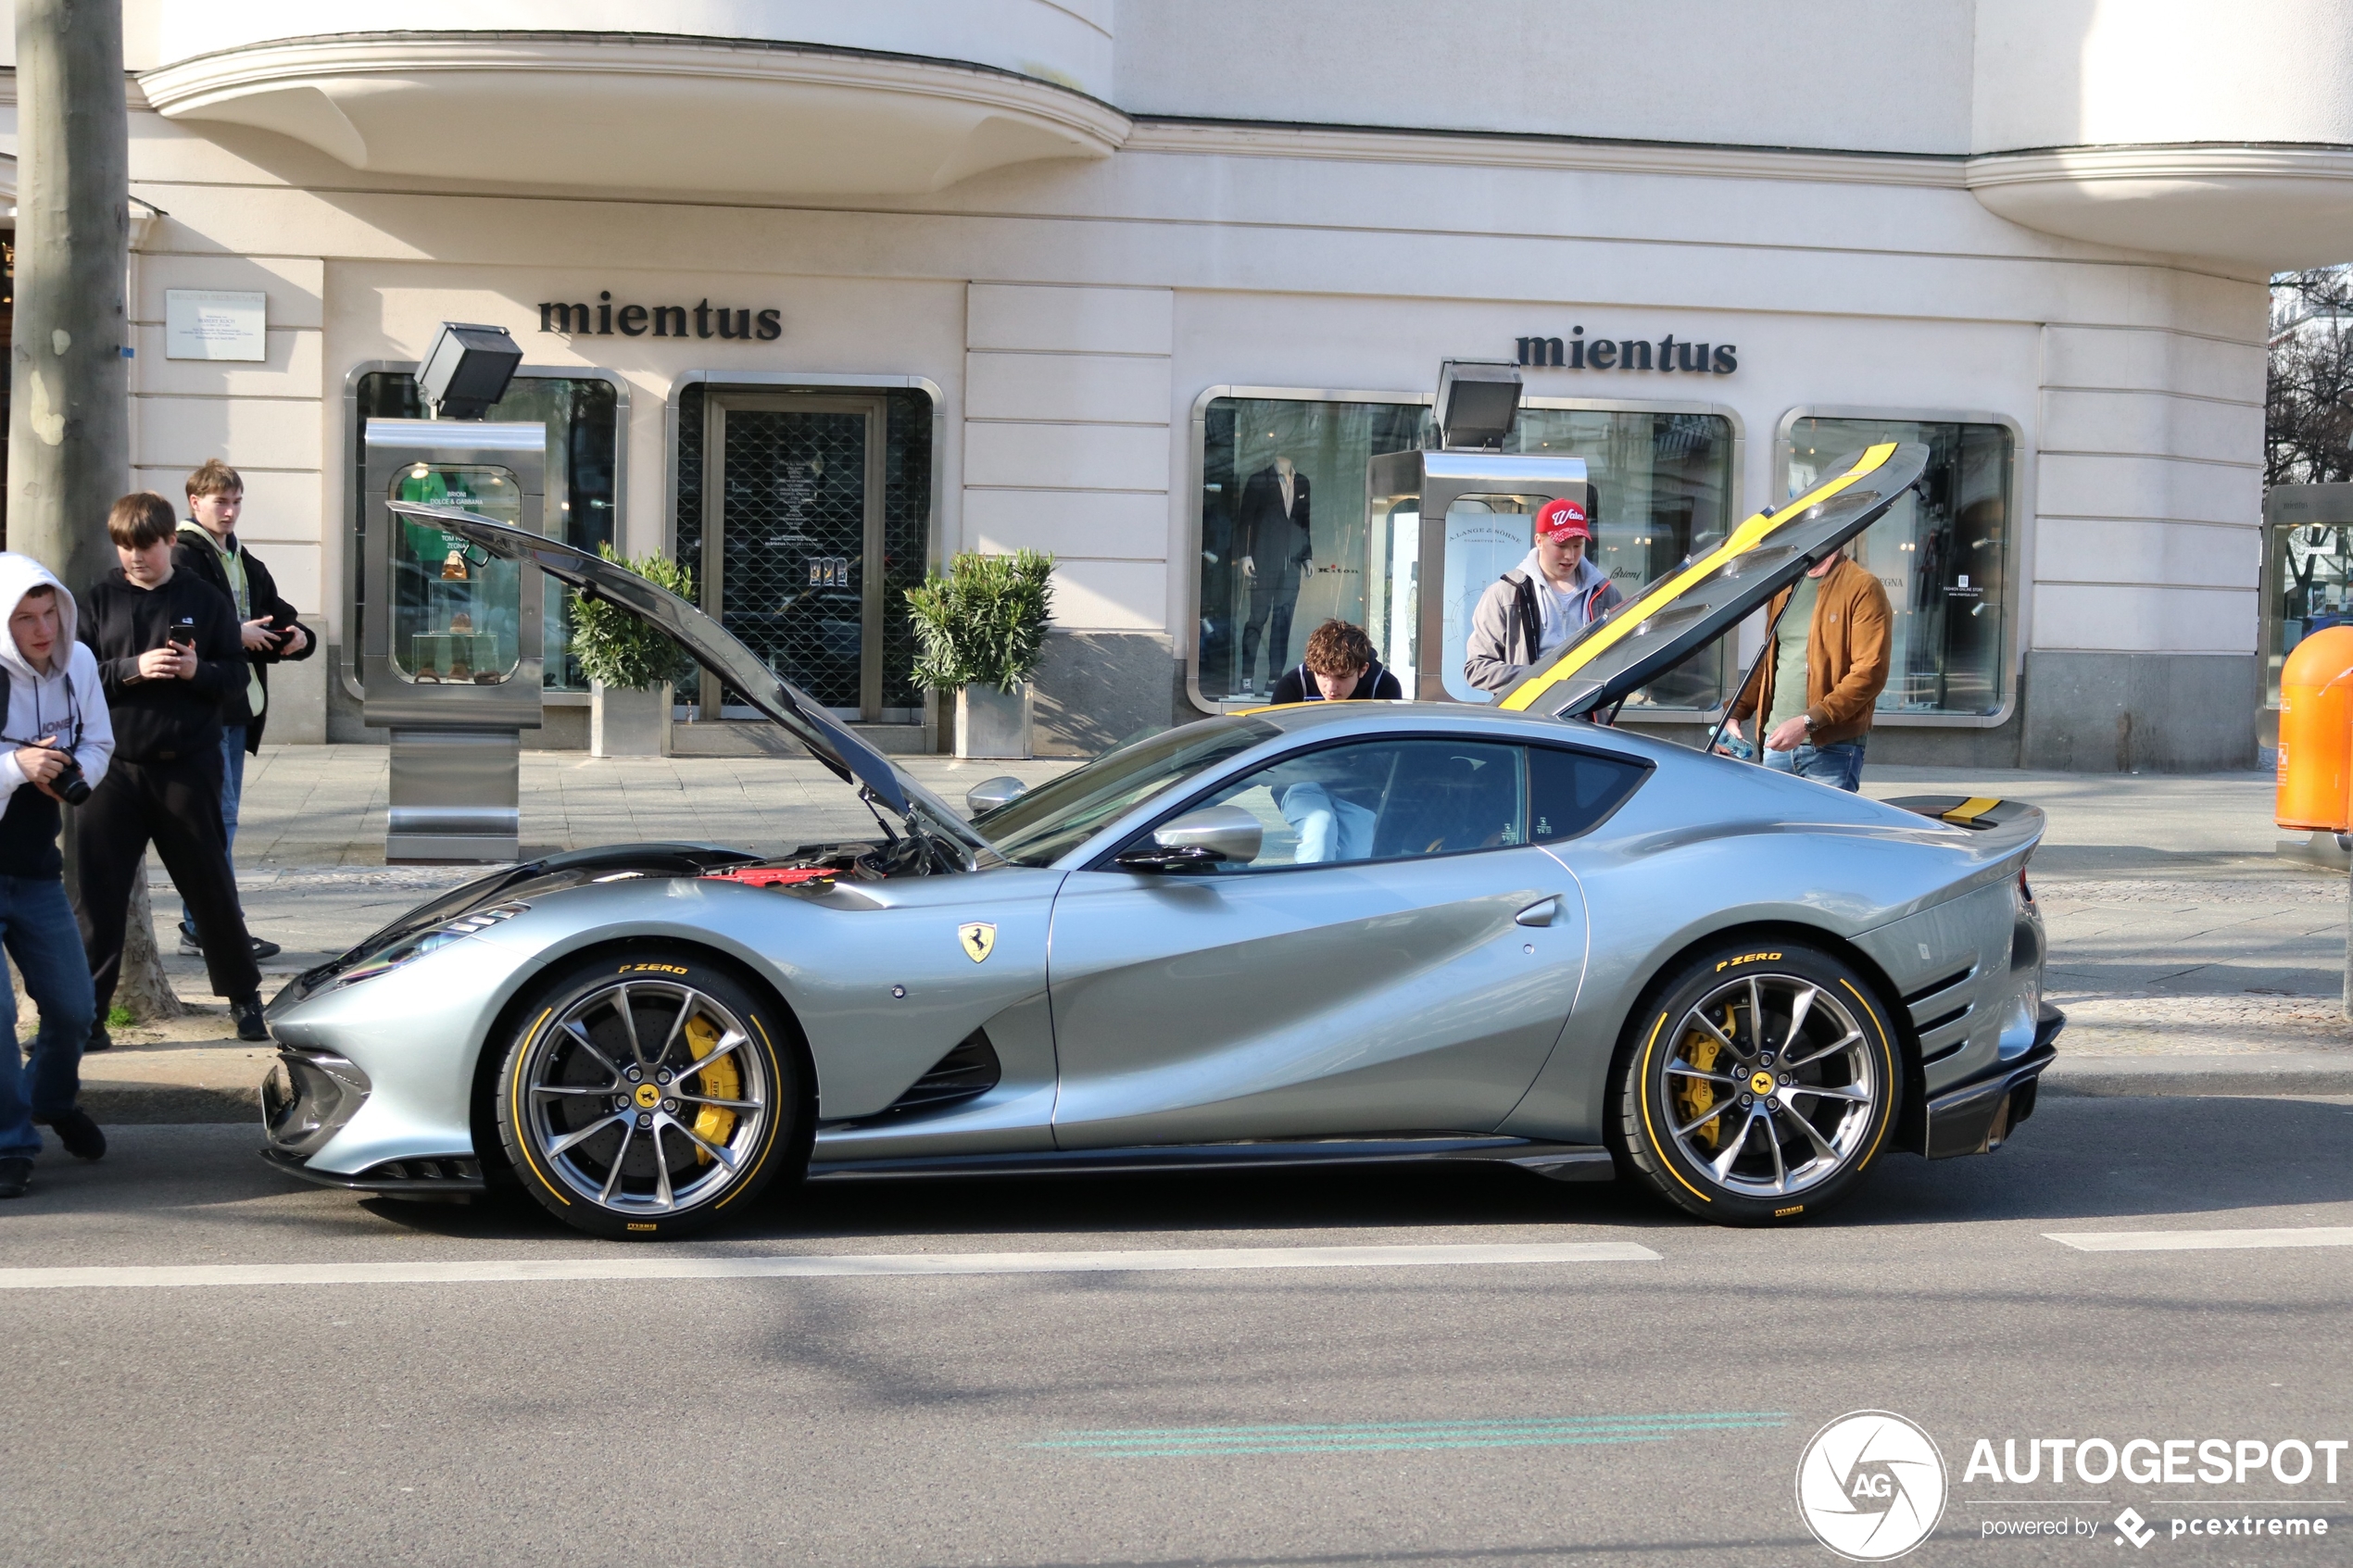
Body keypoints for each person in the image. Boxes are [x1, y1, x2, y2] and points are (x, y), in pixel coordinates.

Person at [77, 493, 269, 1045]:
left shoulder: (203, 599)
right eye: (126, 547)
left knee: (209, 886)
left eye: (147, 547)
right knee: (99, 896)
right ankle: (90, 1017)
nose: (136, 558)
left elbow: (236, 677)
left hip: (187, 766)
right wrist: (133, 669)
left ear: (168, 543)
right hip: (114, 768)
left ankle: (244, 1000)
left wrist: (195, 671)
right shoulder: (96, 600)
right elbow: (79, 678)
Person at [0, 557, 115, 1198]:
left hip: (37, 868)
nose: (42, 629)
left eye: (49, 613)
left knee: (75, 1009)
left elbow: (99, 742)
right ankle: (11, 1143)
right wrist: (18, 766)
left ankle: (51, 1098)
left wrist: (73, 779)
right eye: (24, 617)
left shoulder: (77, 663)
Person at [172, 459, 315, 960]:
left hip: (238, 704)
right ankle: (210, 927)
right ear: (195, 502)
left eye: (235, 502)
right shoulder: (183, 557)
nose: (229, 511)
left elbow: (278, 614)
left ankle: (206, 924)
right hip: (206, 705)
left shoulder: (240, 557)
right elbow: (179, 627)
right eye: (219, 502)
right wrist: (237, 633)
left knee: (219, 819)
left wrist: (298, 638)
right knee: (214, 820)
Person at [1720, 547, 1892, 791]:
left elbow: (1870, 673)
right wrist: (1734, 714)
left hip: (1832, 748)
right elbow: (1770, 660)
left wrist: (1807, 722)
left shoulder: (1862, 586)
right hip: (1776, 743)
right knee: (1775, 829)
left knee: (1824, 829)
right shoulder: (1787, 585)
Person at [1464, 496, 1623, 695]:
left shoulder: (1605, 593)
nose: (1570, 556)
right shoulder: (1504, 594)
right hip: (1527, 721)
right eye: (1561, 545)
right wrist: (1540, 678)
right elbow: (1477, 669)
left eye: (1577, 545)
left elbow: (1622, 659)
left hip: (1584, 720)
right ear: (1539, 541)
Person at [1268, 619, 1403, 704]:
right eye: (1322, 675)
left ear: (1363, 669)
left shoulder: (1384, 686)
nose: (1331, 688)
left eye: (1342, 677)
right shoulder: (1293, 685)